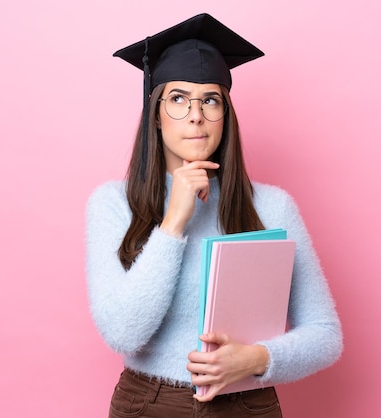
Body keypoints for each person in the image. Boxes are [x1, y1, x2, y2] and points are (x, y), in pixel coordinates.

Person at [86, 13, 343, 418]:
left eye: (210, 99)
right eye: (177, 99)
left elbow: (325, 336)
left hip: (246, 404)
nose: (195, 115)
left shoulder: (272, 207)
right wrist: (173, 223)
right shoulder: (114, 204)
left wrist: (257, 359)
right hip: (149, 405)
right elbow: (123, 333)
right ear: (155, 112)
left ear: (226, 113)